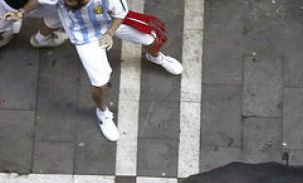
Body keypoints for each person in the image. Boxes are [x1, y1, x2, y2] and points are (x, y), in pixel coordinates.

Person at [9, 0, 183, 141]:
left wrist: (110, 33)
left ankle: (155, 57)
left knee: (150, 38)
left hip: (106, 26)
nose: (67, 4)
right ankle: (103, 113)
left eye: (71, 1)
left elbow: (120, 15)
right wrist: (21, 13)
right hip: (85, 40)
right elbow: (38, 1)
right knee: (100, 84)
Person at [1, 0, 66, 48]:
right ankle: (41, 39)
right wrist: (20, 13)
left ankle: (3, 32)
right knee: (63, 12)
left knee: (3, 15)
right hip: (20, 5)